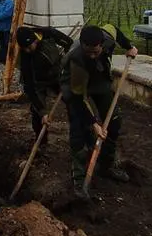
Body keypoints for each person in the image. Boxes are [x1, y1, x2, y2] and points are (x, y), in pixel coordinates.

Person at [60, 24, 138, 197]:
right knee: (79, 127)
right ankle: (80, 180)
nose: (93, 55)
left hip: (98, 80)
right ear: (82, 44)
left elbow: (115, 30)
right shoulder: (77, 58)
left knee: (114, 121)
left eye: (96, 52)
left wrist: (129, 47)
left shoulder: (107, 39)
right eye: (89, 52)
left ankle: (106, 165)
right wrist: (93, 123)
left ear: (102, 44)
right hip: (75, 86)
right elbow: (78, 98)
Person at [16, 25, 74, 142]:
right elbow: (30, 86)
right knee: (37, 111)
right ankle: (41, 140)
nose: (27, 50)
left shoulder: (48, 33)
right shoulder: (25, 58)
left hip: (58, 74)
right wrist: (42, 112)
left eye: (28, 47)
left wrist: (66, 65)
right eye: (24, 48)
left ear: (34, 40)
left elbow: (69, 43)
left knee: (73, 101)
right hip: (39, 81)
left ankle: (79, 131)